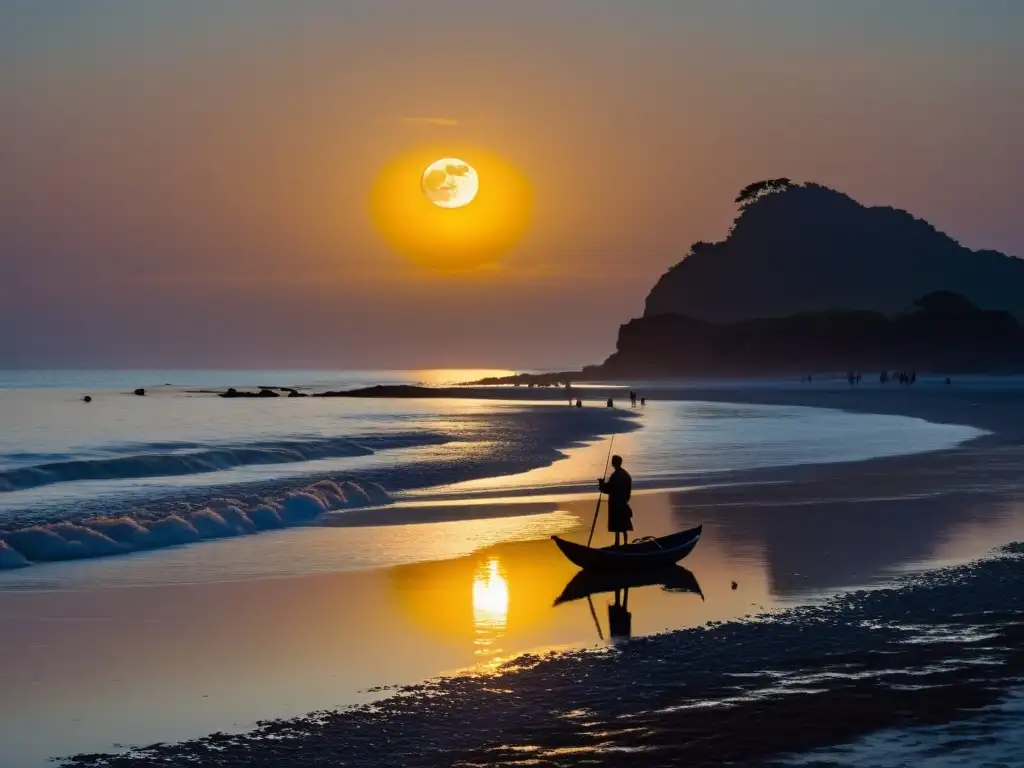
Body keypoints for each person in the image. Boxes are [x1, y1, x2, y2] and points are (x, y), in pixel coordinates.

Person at [599, 455, 633, 546]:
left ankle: (617, 543)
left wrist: (602, 485)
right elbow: (627, 489)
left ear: (614, 463)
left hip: (616, 503)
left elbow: (609, 489)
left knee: (618, 525)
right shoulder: (626, 474)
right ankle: (625, 544)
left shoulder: (616, 475)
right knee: (624, 525)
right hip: (623, 502)